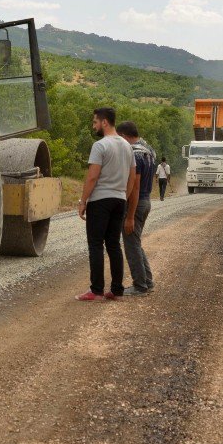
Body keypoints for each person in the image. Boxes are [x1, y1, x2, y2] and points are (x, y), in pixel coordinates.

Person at [76, 107, 135, 302]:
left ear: (104, 122)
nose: (93, 126)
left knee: (95, 244)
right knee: (113, 245)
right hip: (119, 199)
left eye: (95, 122)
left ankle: (96, 290)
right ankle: (117, 289)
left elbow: (92, 176)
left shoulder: (100, 145)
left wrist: (83, 201)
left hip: (101, 199)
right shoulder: (127, 146)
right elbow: (132, 176)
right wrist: (123, 196)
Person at [117, 121, 156, 296]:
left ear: (125, 136)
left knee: (131, 245)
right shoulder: (148, 149)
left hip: (136, 202)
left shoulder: (134, 154)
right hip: (146, 200)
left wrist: (130, 216)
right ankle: (147, 280)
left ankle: (140, 285)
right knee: (136, 243)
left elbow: (134, 186)